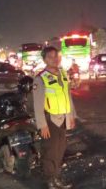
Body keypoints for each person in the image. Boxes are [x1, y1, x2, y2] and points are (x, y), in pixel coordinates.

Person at [33, 46, 76, 189]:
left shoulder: (63, 74)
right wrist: (42, 125)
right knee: (50, 151)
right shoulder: (40, 78)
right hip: (50, 120)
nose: (54, 59)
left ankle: (56, 178)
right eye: (50, 57)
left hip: (63, 119)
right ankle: (50, 180)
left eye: (56, 56)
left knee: (60, 150)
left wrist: (71, 116)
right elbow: (38, 105)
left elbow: (68, 96)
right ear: (44, 59)